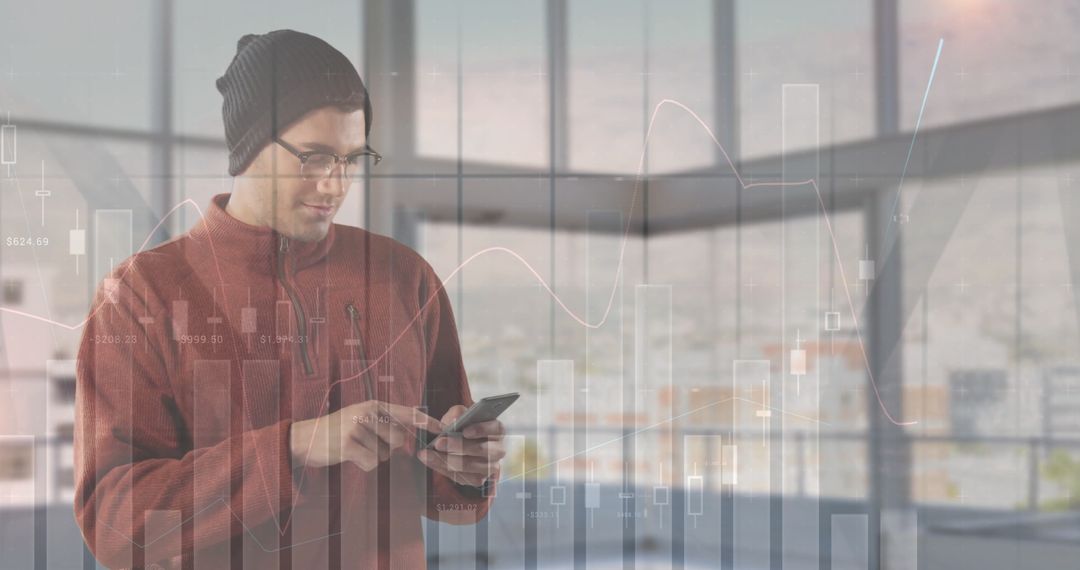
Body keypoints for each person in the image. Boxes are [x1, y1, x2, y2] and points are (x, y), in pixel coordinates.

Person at [73, 29, 505, 569]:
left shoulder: (404, 277)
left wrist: (470, 468)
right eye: (315, 157)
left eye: (352, 159)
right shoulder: (140, 297)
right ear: (249, 145)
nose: (335, 185)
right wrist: (294, 448)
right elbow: (115, 526)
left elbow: (449, 502)